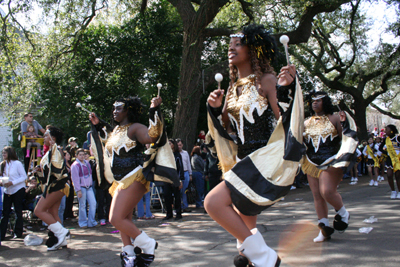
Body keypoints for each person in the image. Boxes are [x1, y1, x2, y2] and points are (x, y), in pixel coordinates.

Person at [205, 24, 304, 267]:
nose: (231, 48)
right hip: (241, 162)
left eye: (238, 44)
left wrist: (287, 89)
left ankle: (265, 257)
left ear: (253, 49)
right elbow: (228, 131)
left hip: (263, 160)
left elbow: (286, 120)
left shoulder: (267, 81)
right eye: (230, 45)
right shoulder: (230, 90)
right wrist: (216, 110)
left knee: (213, 203)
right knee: (246, 227)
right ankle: (255, 258)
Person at [89, 96, 179, 266]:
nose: (114, 111)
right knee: (124, 219)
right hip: (119, 181)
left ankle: (147, 243)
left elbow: (151, 137)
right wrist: (97, 124)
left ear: (128, 110)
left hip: (134, 177)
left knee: (115, 218)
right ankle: (129, 253)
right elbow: (109, 139)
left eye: (119, 108)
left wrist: (154, 109)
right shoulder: (116, 130)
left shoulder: (136, 128)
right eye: (113, 108)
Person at [302, 91, 357, 243]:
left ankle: (343, 213)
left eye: (318, 100)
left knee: (326, 191)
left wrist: (342, 157)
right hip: (311, 162)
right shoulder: (306, 122)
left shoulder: (335, 118)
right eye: (312, 101)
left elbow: (345, 137)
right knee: (317, 196)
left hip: (332, 161)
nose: (314, 103)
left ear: (325, 102)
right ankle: (324, 229)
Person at [34, 126, 71, 251]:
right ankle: (62, 240)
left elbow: (58, 169)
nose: (43, 138)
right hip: (57, 185)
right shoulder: (51, 151)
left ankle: (61, 232)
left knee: (38, 211)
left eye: (46, 136)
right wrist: (39, 170)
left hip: (57, 185)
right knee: (53, 213)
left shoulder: (57, 149)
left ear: (52, 138)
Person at [0, 146, 27, 240]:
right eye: (3, 153)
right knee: (5, 212)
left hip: (17, 189)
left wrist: (12, 182)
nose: (3, 155)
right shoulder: (3, 164)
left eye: (5, 153)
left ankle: (18, 232)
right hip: (7, 190)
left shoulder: (17, 163)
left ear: (10, 153)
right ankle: (1, 234)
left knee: (18, 211)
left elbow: (24, 177)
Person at [71, 148, 97, 228]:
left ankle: (91, 221)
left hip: (89, 187)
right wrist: (78, 190)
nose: (82, 156)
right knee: (82, 205)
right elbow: (75, 179)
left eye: (83, 155)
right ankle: (83, 222)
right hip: (81, 187)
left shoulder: (87, 163)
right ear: (76, 155)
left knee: (93, 203)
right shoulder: (75, 165)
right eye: (80, 155)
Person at [162, 139, 183, 221]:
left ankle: (178, 213)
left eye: (170, 144)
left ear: (173, 145)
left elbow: (180, 167)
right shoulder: (165, 155)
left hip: (175, 178)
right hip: (167, 178)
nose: (168, 145)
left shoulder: (177, 155)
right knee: (167, 196)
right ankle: (169, 213)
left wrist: (180, 179)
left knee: (177, 196)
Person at [380, 125, 400, 199]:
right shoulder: (386, 139)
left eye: (387, 129)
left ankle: (399, 191)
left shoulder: (398, 138)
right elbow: (380, 148)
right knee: (389, 175)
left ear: (392, 130)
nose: (385, 131)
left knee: (398, 176)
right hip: (390, 159)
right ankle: (393, 191)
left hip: (398, 160)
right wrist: (386, 153)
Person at [176, 139, 192, 213]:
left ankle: (185, 206)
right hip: (178, 174)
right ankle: (179, 206)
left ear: (182, 145)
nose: (179, 146)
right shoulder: (174, 154)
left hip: (185, 173)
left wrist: (190, 174)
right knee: (179, 191)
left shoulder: (185, 153)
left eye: (180, 145)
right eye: (178, 145)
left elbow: (188, 163)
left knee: (185, 190)